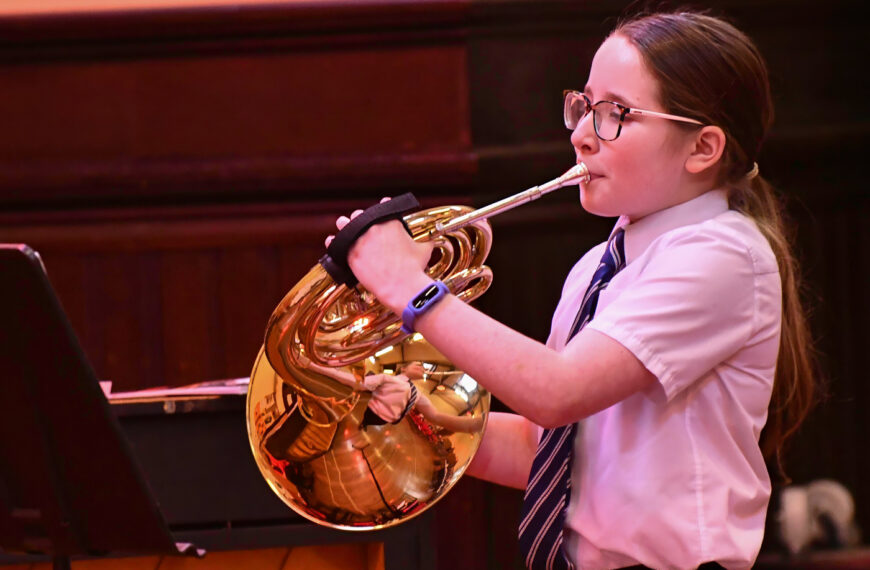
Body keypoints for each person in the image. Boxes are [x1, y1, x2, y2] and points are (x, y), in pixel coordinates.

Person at [326, 10, 817, 569]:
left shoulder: (724, 255)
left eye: (615, 115)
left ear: (702, 149)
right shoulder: (596, 268)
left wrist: (409, 285)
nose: (582, 135)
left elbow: (556, 390)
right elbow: (546, 443)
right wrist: (416, 415)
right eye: (583, 107)